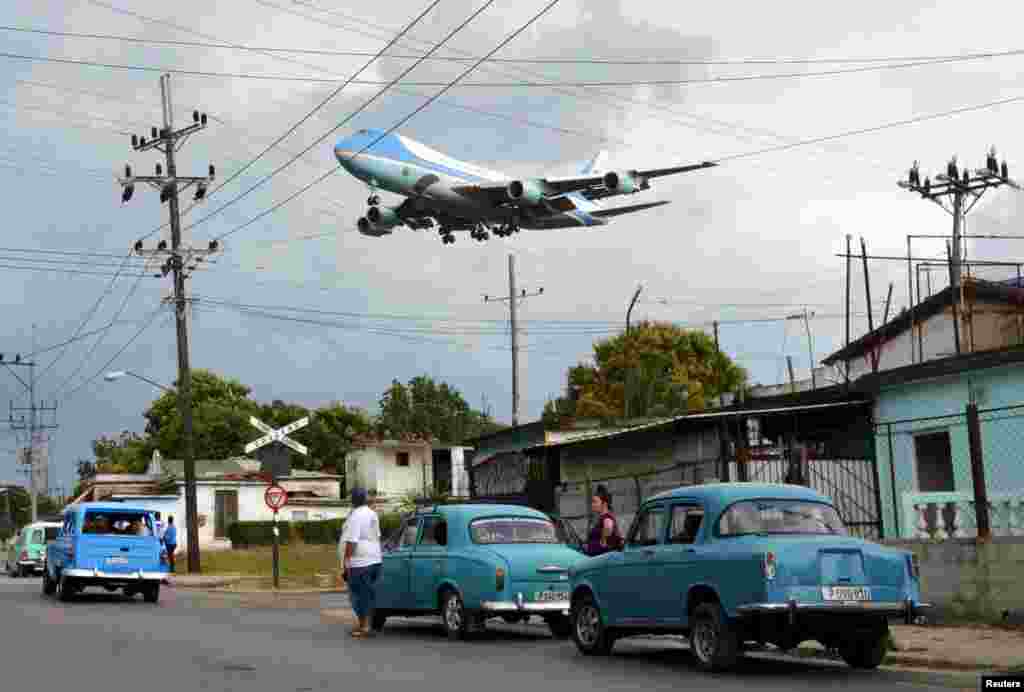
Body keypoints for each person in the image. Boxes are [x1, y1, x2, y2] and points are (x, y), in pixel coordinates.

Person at [339, 487, 382, 638]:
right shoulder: (372, 514)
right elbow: (377, 536)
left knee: (358, 595)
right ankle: (365, 624)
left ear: (353, 500)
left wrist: (346, 561)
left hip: (360, 562)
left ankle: (366, 626)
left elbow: (352, 541)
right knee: (367, 594)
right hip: (374, 559)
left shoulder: (356, 516)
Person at [583, 484, 623, 556]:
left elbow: (608, 526)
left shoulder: (607, 517)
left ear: (604, 504)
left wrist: (603, 541)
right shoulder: (602, 518)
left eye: (595, 502)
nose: (592, 504)